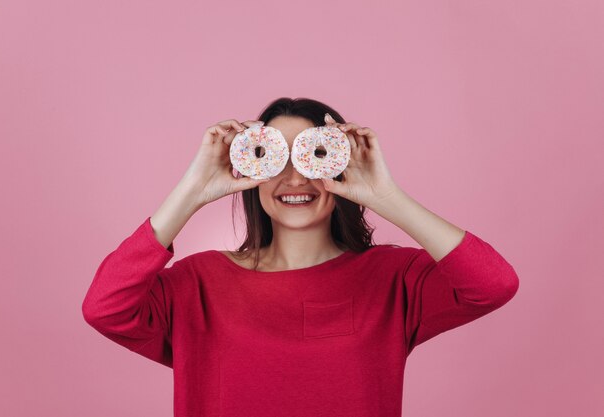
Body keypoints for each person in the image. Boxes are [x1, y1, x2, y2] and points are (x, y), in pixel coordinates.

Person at [82, 97, 520, 417]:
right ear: (251, 171)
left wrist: (387, 196)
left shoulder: (392, 278)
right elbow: (105, 307)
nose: (295, 177)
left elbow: (494, 284)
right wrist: (192, 192)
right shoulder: (198, 283)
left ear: (341, 166)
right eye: (274, 159)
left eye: (314, 158)